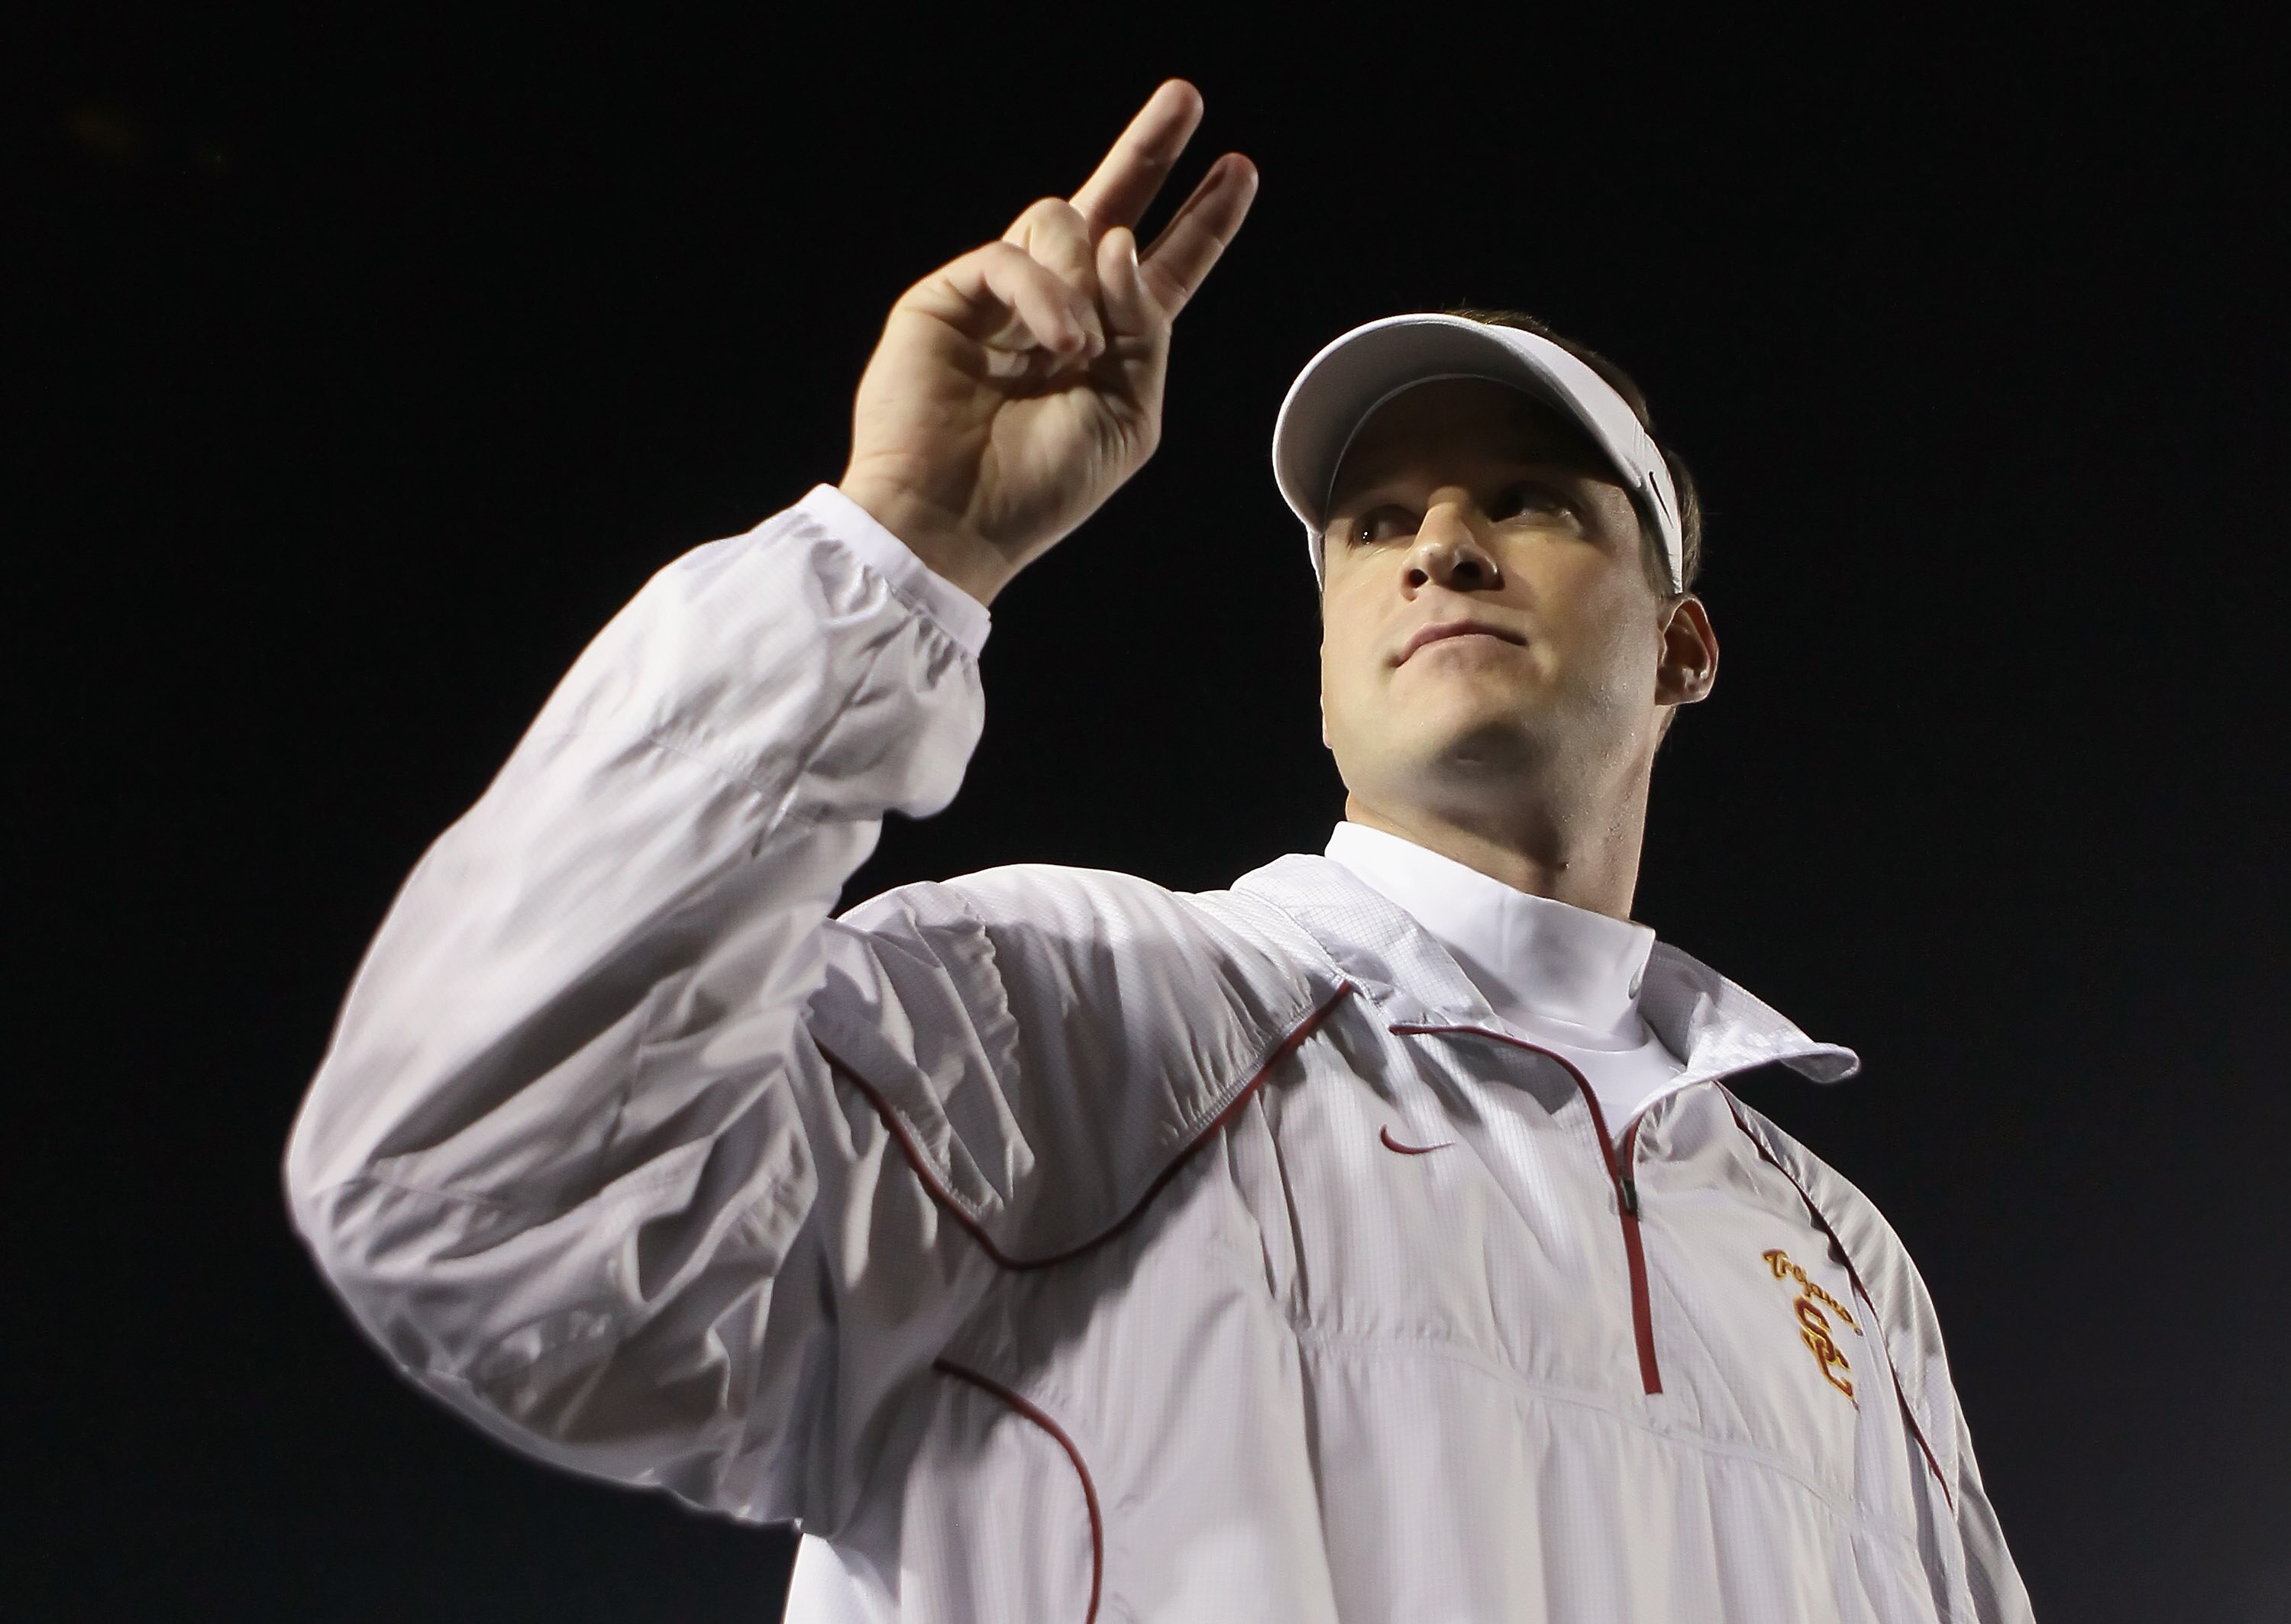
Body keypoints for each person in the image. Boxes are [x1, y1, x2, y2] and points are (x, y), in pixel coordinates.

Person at [285, 79, 2034, 1622]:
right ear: (1330, 652)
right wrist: (891, 554)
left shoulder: (1840, 1263)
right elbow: (467, 1188)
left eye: (1526, 500)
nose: (1436, 545)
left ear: (1681, 648)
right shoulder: (1077, 1020)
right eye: (1371, 523)